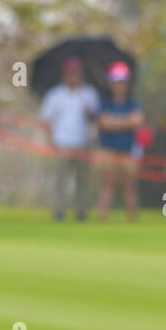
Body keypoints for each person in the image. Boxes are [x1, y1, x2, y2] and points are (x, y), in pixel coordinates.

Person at [38, 55, 99, 220]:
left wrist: (89, 113)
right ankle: (59, 210)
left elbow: (97, 120)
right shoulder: (55, 95)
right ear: (64, 74)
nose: (74, 76)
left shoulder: (89, 94)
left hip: (83, 144)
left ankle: (81, 212)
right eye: (71, 72)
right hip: (62, 144)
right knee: (60, 181)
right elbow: (46, 120)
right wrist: (51, 142)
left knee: (83, 181)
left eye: (77, 72)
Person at [96, 61, 143, 222]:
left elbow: (137, 121)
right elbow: (104, 123)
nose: (119, 86)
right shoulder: (105, 103)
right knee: (107, 184)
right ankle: (102, 218)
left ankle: (132, 220)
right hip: (108, 149)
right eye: (116, 82)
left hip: (127, 149)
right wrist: (125, 122)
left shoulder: (132, 103)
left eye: (122, 82)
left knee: (129, 185)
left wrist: (114, 122)